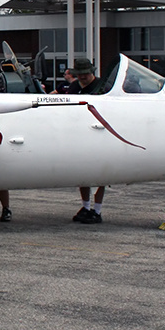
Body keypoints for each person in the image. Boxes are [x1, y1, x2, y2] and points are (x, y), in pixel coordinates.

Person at [68, 58, 107, 223]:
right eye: (80, 74)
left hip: (99, 133)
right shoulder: (74, 87)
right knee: (83, 174)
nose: (83, 77)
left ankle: (97, 211)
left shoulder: (102, 87)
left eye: (85, 74)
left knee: (100, 176)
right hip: (80, 134)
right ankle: (85, 207)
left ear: (92, 72)